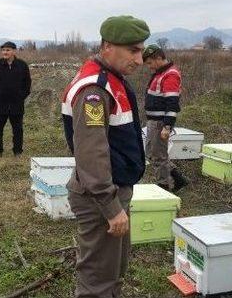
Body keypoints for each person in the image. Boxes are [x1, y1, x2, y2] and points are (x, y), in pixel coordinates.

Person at [62, 15, 149, 297]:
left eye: (142, 51)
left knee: (112, 272)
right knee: (97, 281)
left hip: (110, 190)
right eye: (133, 50)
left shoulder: (112, 80)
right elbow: (91, 154)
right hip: (100, 197)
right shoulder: (95, 90)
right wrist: (111, 207)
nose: (140, 59)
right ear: (108, 46)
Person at [143, 43, 188, 191]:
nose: (149, 66)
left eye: (150, 63)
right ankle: (178, 179)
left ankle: (164, 186)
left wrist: (167, 126)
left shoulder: (170, 74)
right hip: (154, 121)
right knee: (151, 152)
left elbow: (172, 104)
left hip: (160, 123)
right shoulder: (160, 73)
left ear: (158, 58)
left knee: (158, 155)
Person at [0, 41, 31, 157]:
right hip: (0, 104)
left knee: (18, 130)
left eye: (8, 50)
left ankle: (17, 152)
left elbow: (27, 82)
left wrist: (22, 96)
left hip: (17, 104)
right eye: (3, 50)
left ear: (14, 51)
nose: (5, 52)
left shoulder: (22, 65)